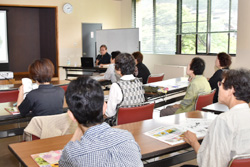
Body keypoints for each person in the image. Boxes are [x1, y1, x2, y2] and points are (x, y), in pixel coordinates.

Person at [59, 77, 143, 167]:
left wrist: (77, 129)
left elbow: (62, 163)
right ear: (104, 107)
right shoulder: (127, 137)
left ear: (71, 115)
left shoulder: (72, 154)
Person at [182, 69, 250, 167]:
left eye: (221, 84)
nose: (219, 88)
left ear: (231, 90)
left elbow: (210, 164)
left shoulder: (224, 120)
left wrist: (194, 142)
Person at [104, 53, 145, 118]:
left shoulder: (116, 86)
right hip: (138, 122)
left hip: (120, 125)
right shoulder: (139, 82)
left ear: (118, 69)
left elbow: (110, 113)